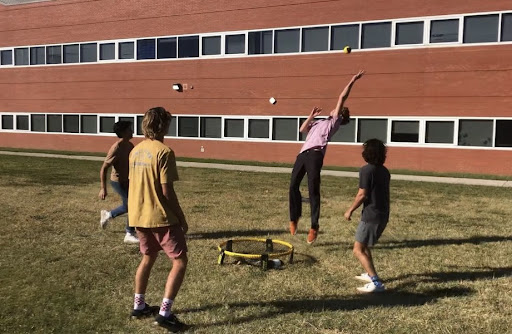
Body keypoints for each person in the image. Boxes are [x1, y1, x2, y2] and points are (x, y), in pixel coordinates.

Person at [128, 107, 189, 332]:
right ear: (164, 126)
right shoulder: (164, 152)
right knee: (179, 262)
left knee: (148, 257)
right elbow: (167, 191)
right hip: (161, 217)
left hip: (139, 217)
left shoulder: (135, 151)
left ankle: (139, 305)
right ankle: (165, 313)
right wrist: (181, 217)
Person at [289, 70, 365, 244]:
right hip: (303, 154)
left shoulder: (333, 122)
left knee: (313, 189)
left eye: (337, 110)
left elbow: (341, 97)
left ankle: (313, 227)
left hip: (315, 154)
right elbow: (302, 130)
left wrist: (352, 80)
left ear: (340, 116)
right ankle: (294, 218)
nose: (333, 108)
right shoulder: (319, 122)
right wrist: (311, 116)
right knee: (293, 185)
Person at [344, 139, 390, 293]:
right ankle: (370, 275)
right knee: (364, 246)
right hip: (382, 214)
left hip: (371, 215)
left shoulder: (366, 170)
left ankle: (376, 283)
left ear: (368, 153)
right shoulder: (384, 171)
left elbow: (362, 194)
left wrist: (350, 210)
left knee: (357, 250)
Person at [98, 120, 139, 244]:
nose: (132, 131)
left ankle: (108, 214)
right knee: (132, 205)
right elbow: (104, 168)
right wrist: (103, 188)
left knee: (129, 205)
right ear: (122, 132)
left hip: (128, 180)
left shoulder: (130, 146)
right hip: (118, 182)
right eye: (129, 129)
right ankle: (129, 233)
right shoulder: (115, 148)